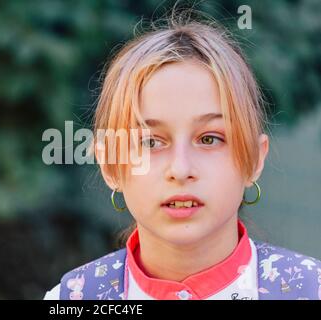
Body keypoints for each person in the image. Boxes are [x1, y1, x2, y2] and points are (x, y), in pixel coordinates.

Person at [43, 15, 321, 300]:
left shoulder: (310, 290)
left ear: (254, 159)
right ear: (110, 165)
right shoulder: (72, 298)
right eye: (151, 141)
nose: (180, 169)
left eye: (209, 139)